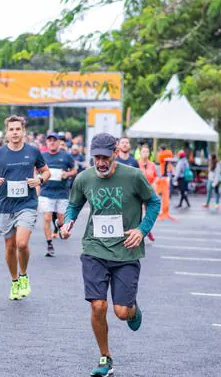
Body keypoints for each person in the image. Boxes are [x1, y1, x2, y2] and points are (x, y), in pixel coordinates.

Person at [60, 132, 160, 377]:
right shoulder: (84, 178)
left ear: (116, 153)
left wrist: (142, 229)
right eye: (97, 158)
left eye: (106, 157)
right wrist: (68, 222)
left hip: (126, 250)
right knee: (97, 305)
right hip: (94, 248)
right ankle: (105, 357)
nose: (101, 163)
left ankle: (133, 309)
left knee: (122, 312)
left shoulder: (133, 176)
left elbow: (154, 202)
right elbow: (74, 204)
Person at [0, 115, 50, 300]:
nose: (15, 133)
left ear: (23, 131)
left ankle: (23, 276)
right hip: (6, 204)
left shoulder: (33, 151)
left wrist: (39, 179)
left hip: (27, 203)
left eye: (18, 129)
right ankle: (14, 281)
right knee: (9, 246)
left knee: (21, 243)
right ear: (7, 132)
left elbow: (46, 171)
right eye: (11, 129)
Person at [40, 133, 77, 257]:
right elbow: (35, 170)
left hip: (62, 193)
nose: (51, 143)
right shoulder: (42, 156)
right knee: (47, 217)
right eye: (49, 140)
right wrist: (38, 177)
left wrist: (68, 174)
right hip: (46, 192)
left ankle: (59, 225)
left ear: (58, 142)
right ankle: (49, 243)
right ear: (46, 143)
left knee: (62, 219)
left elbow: (74, 170)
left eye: (54, 140)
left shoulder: (66, 156)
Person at [138, 145, 158, 242]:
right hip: (138, 191)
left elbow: (155, 177)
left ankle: (148, 231)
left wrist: (154, 185)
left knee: (149, 213)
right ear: (140, 153)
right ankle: (138, 232)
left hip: (149, 191)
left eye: (147, 151)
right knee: (138, 213)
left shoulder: (152, 165)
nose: (145, 153)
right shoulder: (136, 163)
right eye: (143, 151)